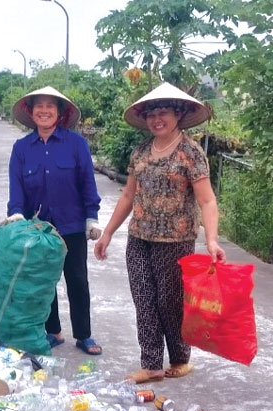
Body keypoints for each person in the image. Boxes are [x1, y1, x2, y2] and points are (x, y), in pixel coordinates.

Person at [94, 82, 226, 383]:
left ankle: (180, 358)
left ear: (178, 114)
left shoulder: (190, 152)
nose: (157, 120)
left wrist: (211, 240)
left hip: (176, 242)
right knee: (143, 300)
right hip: (139, 237)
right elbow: (128, 196)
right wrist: (108, 233)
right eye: (151, 114)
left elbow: (207, 200)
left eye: (163, 113)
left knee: (170, 303)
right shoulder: (141, 151)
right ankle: (152, 363)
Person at [4, 86, 103, 355]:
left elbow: (87, 182)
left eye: (50, 106)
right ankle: (53, 332)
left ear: (60, 112)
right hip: (39, 229)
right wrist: (16, 213)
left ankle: (84, 335)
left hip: (72, 225)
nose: (44, 111)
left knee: (77, 280)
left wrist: (91, 218)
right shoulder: (22, 148)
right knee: (43, 281)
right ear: (31, 111)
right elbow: (16, 186)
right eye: (39, 106)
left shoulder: (76, 144)